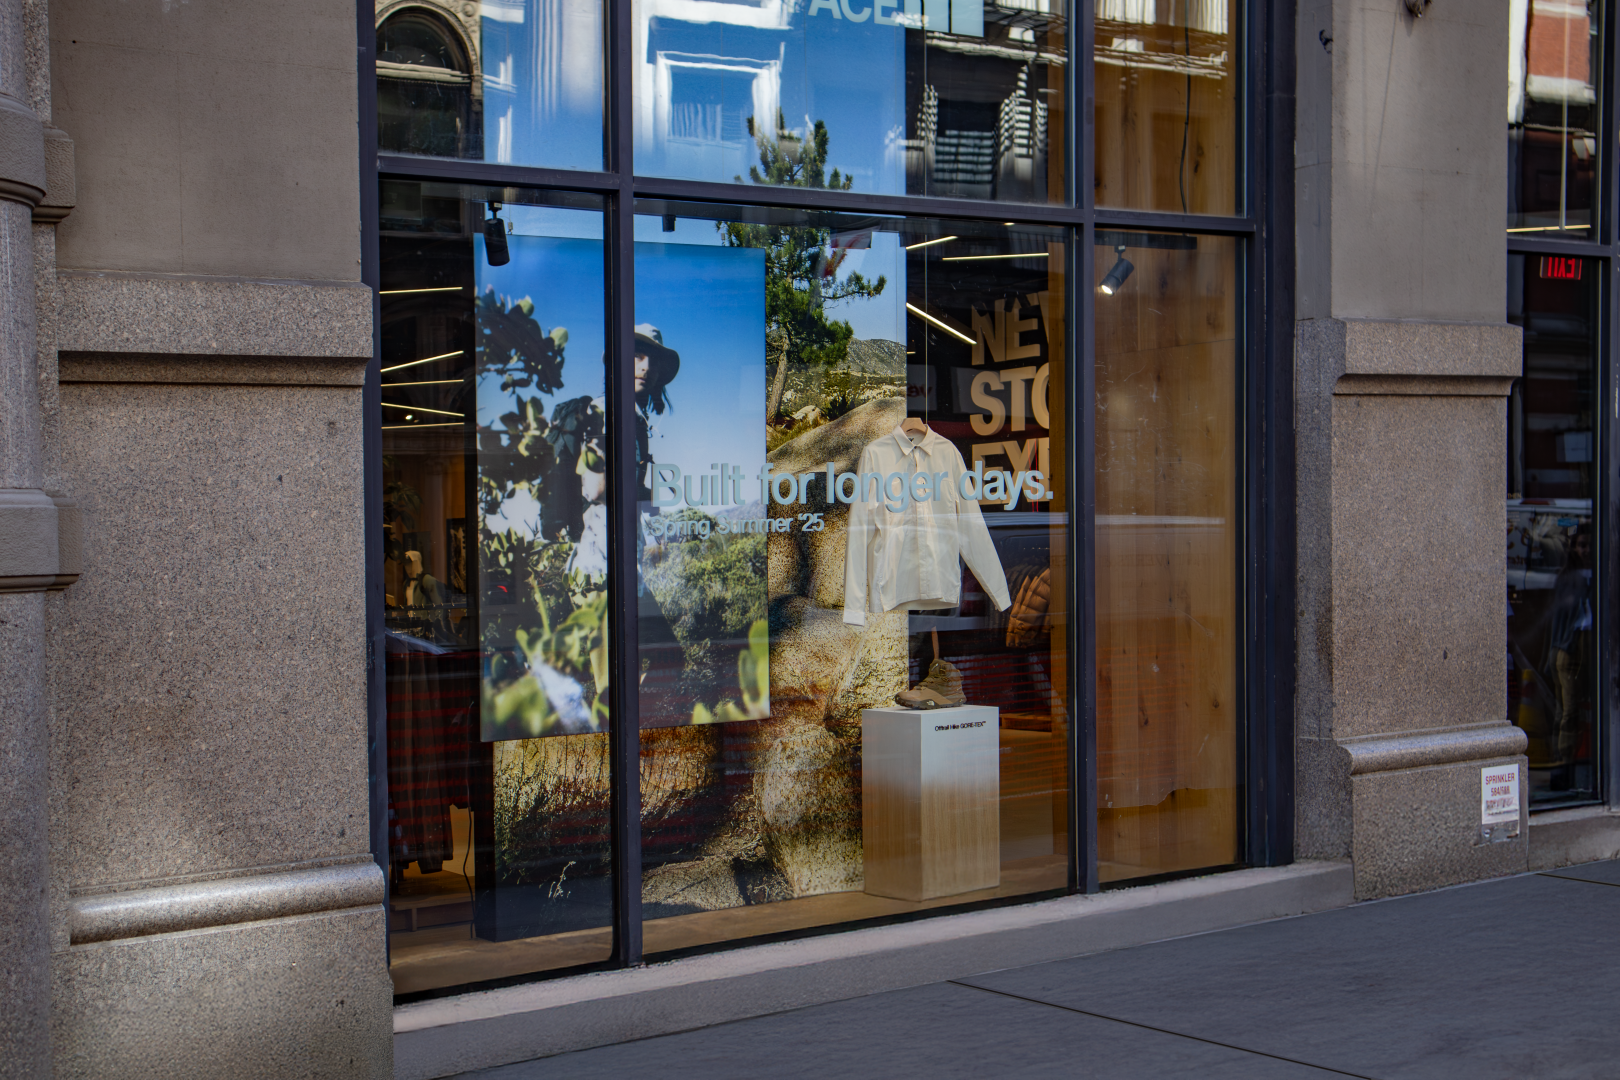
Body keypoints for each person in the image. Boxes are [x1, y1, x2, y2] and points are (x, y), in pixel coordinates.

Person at [1546, 523, 1592, 790]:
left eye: (1588, 545)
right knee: (1568, 710)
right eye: (1580, 545)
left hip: (1590, 647)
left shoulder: (1596, 572)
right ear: (1573, 548)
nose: (1585, 550)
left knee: (1577, 709)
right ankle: (1563, 766)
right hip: (1570, 649)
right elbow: (1559, 620)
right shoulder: (1570, 577)